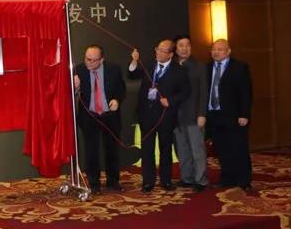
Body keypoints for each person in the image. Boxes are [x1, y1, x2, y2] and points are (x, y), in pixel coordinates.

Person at [128, 39, 190, 193]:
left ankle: (165, 180)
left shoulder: (179, 70)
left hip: (165, 115)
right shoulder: (149, 65)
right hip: (146, 114)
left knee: (165, 148)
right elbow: (132, 74)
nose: (158, 53)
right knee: (147, 149)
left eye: (162, 51)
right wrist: (134, 61)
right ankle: (148, 181)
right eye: (157, 49)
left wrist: (171, 101)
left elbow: (185, 92)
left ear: (170, 54)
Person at [73, 45, 126, 193]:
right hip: (89, 115)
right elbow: (70, 93)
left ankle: (113, 181)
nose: (89, 63)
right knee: (91, 151)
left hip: (109, 115)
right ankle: (94, 183)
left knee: (112, 150)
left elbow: (121, 89)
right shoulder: (78, 69)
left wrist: (117, 100)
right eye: (87, 59)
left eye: (93, 60)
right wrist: (75, 87)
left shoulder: (113, 69)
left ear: (101, 60)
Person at [205, 39, 253, 191]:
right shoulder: (207, 67)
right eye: (214, 49)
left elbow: (246, 93)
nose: (216, 52)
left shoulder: (239, 67)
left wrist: (244, 114)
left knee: (239, 148)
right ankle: (227, 179)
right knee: (222, 149)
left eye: (220, 49)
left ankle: (244, 180)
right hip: (214, 115)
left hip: (234, 116)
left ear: (228, 51)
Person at [172, 35, 209, 192]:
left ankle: (201, 180)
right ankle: (187, 178)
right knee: (182, 149)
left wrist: (202, 114)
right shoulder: (171, 66)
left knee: (197, 150)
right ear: (175, 49)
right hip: (176, 115)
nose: (184, 49)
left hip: (194, 114)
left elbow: (204, 92)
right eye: (181, 45)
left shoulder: (199, 66)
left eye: (187, 45)